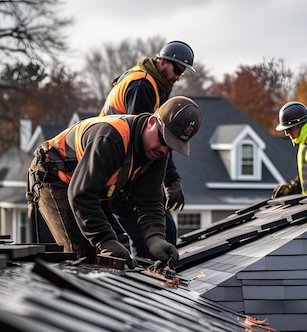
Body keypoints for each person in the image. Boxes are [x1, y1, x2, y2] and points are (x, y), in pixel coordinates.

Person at [27, 96, 202, 268]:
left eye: (171, 146)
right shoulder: (112, 138)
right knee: (83, 257)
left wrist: (155, 237)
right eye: (163, 140)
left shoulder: (157, 154)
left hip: (92, 190)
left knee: (121, 256)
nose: (164, 149)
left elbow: (149, 201)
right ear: (151, 122)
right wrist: (104, 240)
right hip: (55, 179)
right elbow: (81, 194)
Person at [99, 40, 195, 258]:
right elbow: (147, 141)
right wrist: (167, 181)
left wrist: (171, 179)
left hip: (122, 165)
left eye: (183, 73)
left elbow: (161, 142)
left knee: (160, 230)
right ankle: (149, 284)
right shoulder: (142, 86)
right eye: (177, 69)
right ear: (163, 61)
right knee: (151, 234)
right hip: (116, 166)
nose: (178, 77)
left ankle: (152, 278)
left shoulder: (155, 85)